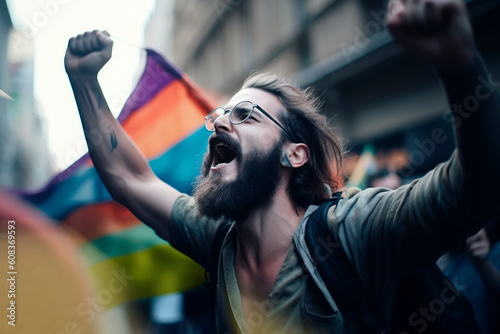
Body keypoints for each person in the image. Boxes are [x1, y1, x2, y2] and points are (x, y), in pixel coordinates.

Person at [64, 0, 500, 332]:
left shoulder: (355, 230)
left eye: (246, 115)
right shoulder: (215, 237)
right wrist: (84, 81)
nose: (220, 125)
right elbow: (128, 177)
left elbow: (473, 190)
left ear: (295, 154)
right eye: (218, 117)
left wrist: (458, 63)